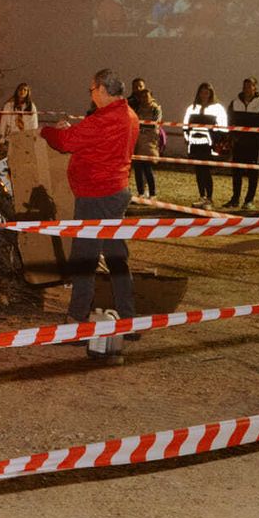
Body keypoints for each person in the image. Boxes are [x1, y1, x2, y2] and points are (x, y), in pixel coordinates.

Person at [40, 68, 138, 325]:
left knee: (84, 259)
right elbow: (90, 138)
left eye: (92, 89)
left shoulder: (103, 120)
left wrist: (46, 131)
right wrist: (75, 131)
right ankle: (128, 319)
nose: (92, 94)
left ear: (103, 90)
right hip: (116, 192)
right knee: (117, 258)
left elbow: (64, 142)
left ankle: (76, 321)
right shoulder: (128, 115)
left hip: (96, 197)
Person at [223, 77, 259, 209]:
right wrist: (232, 137)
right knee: (236, 172)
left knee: (253, 173)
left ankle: (249, 200)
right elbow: (230, 121)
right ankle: (235, 198)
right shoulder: (235, 103)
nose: (246, 88)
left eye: (250, 86)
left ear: (255, 87)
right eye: (245, 86)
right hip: (239, 143)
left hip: (254, 145)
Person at [181, 83, 226, 207]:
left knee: (206, 171)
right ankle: (202, 196)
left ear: (211, 93)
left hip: (209, 146)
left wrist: (217, 143)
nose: (204, 95)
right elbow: (185, 126)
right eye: (202, 92)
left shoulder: (218, 108)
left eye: (207, 92)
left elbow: (223, 128)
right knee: (198, 171)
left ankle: (209, 198)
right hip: (195, 145)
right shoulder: (192, 108)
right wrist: (187, 138)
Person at [128, 84, 162, 199]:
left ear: (151, 97)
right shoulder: (137, 109)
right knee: (138, 169)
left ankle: (152, 193)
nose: (144, 99)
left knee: (148, 169)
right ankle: (140, 192)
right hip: (138, 142)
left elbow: (153, 124)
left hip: (149, 143)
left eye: (146, 96)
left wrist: (141, 127)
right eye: (142, 97)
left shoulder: (155, 109)